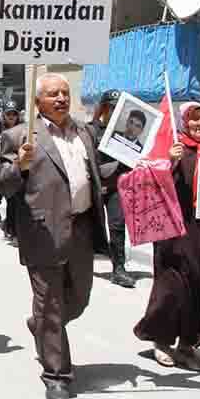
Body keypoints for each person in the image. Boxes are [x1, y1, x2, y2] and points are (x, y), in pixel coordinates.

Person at [0, 73, 108, 399]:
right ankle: (57, 375)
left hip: (82, 228)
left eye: (65, 92)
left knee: (80, 298)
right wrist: (20, 165)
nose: (61, 98)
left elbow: (99, 173)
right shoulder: (18, 136)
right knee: (51, 304)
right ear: (37, 102)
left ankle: (42, 326)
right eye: (52, 94)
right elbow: (4, 185)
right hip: (42, 233)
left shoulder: (84, 132)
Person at [134, 102, 200, 370]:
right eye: (194, 119)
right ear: (184, 123)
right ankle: (161, 340)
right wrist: (169, 161)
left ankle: (187, 346)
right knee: (172, 289)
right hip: (174, 232)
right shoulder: (174, 149)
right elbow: (149, 185)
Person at [88, 89, 136, 288]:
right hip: (93, 186)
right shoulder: (90, 130)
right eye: (110, 107)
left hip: (116, 187)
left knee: (117, 225)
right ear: (103, 108)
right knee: (86, 226)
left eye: (117, 108)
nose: (114, 111)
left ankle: (118, 268)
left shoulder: (124, 133)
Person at [0, 101, 23, 244]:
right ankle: (12, 230)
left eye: (14, 113)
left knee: (18, 202)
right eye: (9, 114)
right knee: (11, 201)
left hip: (21, 169)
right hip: (5, 170)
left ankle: (13, 229)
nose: (12, 116)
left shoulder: (24, 128)